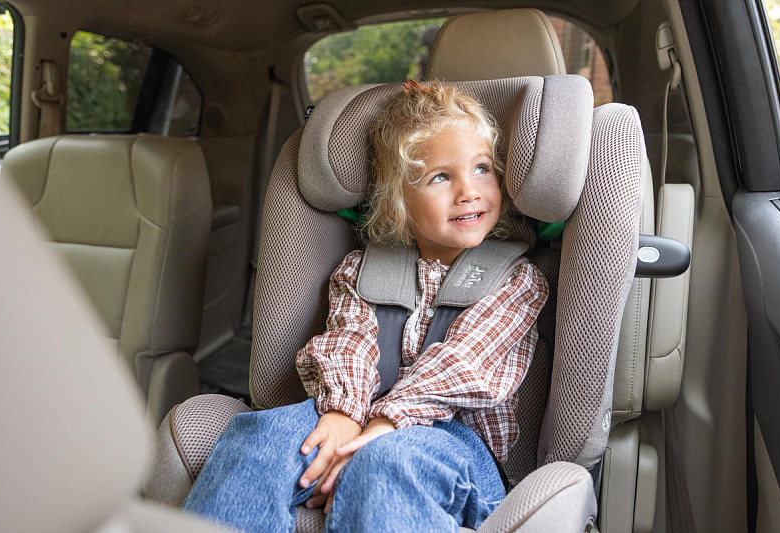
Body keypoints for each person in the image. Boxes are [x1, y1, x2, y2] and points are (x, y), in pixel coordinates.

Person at [182, 80, 549, 533]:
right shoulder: (362, 270)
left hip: (457, 446)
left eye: (482, 169)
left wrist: (382, 427)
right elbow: (348, 342)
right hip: (357, 408)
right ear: (398, 200)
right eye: (440, 177)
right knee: (260, 436)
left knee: (384, 462)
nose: (469, 191)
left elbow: (463, 367)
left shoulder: (515, 280)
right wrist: (343, 414)